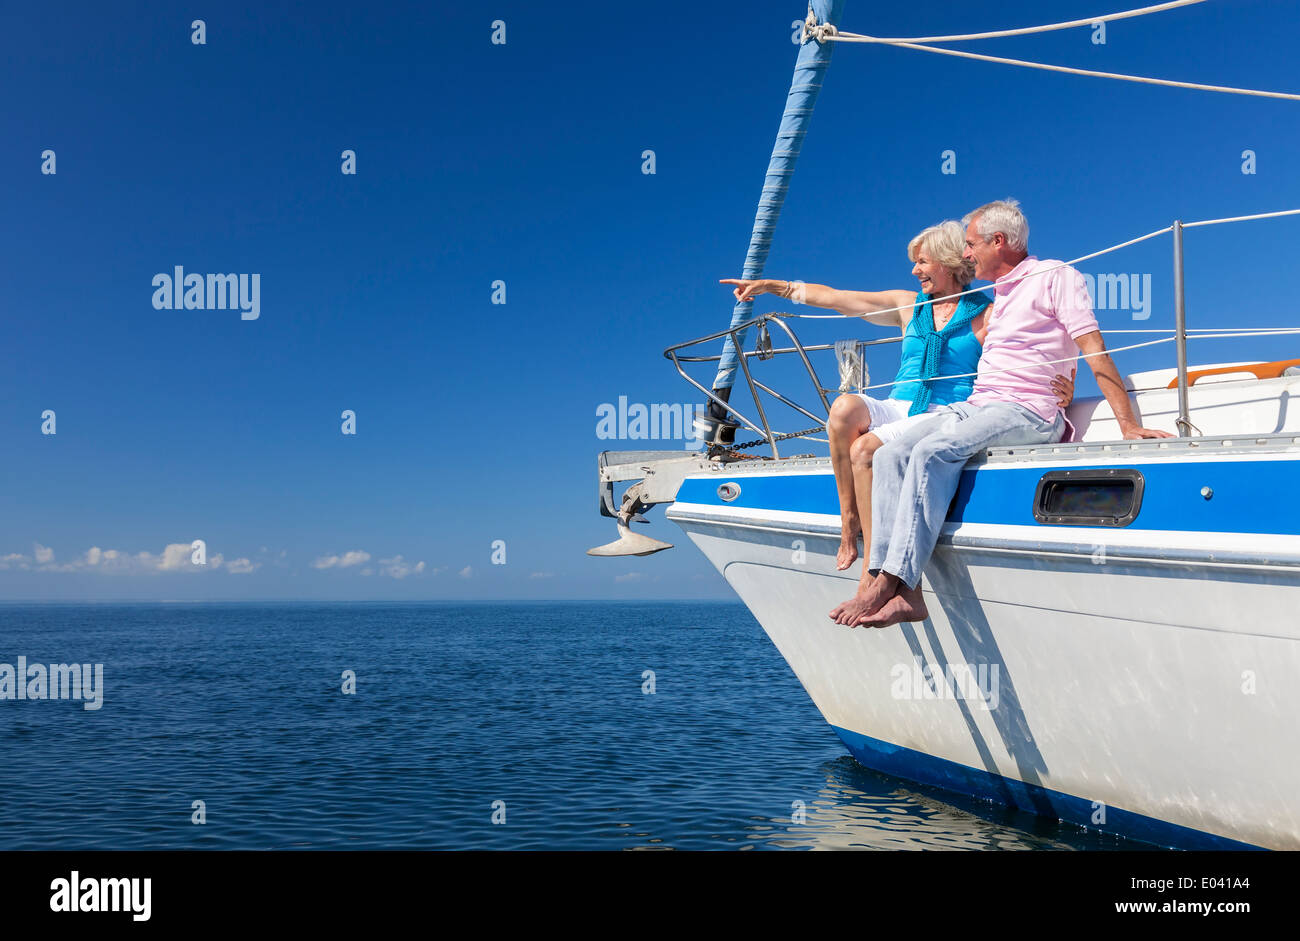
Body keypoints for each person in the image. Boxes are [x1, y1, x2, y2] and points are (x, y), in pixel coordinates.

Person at [830, 199, 1172, 629]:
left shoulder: (1055, 277)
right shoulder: (1000, 295)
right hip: (978, 405)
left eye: (971, 244)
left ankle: (887, 581)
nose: (966, 254)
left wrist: (1127, 423)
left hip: (1027, 410)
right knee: (889, 454)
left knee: (933, 451)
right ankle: (905, 591)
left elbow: (1091, 347)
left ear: (999, 241)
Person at [720, 220, 1074, 575]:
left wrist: (1065, 382)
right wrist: (772, 287)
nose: (914, 269)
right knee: (843, 409)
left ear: (949, 262)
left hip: (946, 410)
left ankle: (873, 566)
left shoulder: (988, 312)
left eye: (922, 261)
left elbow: (1039, 343)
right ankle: (849, 523)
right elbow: (837, 299)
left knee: (868, 449)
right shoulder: (908, 305)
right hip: (898, 405)